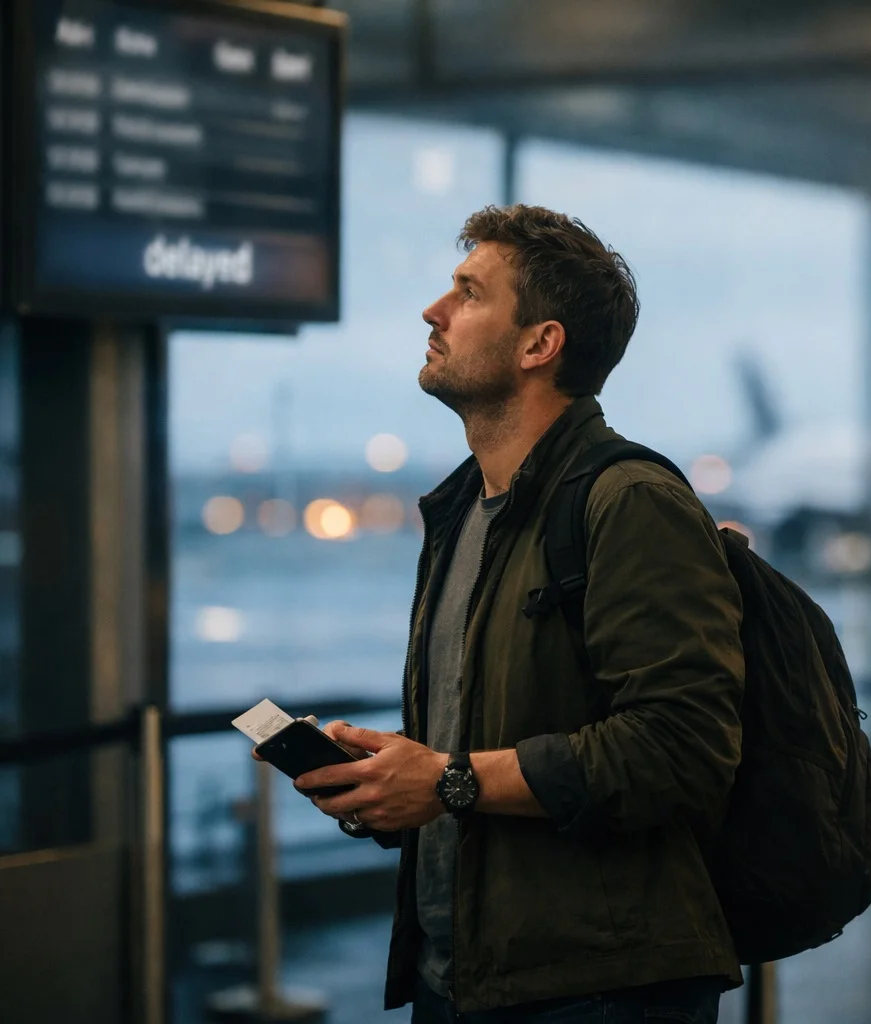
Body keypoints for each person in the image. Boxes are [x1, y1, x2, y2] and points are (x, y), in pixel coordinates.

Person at [277, 205, 746, 1022]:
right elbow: (481, 754)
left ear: (539, 344)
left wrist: (450, 779)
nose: (434, 310)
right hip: (459, 978)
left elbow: (684, 749)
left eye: (468, 292)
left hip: (596, 991)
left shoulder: (631, 502)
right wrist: (397, 780)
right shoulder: (463, 511)